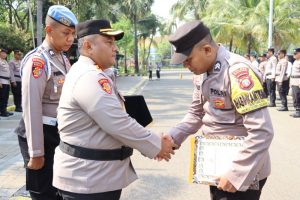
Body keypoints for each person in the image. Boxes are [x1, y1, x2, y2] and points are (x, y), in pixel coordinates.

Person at [52, 19, 177, 200]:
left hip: (94, 177)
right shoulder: (89, 77)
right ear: (88, 46)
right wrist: (156, 144)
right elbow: (118, 123)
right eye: (109, 42)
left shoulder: (94, 73)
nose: (115, 48)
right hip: (88, 180)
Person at [166, 21, 273, 200]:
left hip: (241, 171)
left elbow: (262, 131)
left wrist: (236, 174)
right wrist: (173, 137)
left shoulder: (237, 73)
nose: (186, 66)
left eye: (188, 60)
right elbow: (196, 113)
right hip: (216, 166)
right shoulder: (203, 72)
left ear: (207, 50)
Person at [18, 5, 78, 200]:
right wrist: (36, 152)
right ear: (49, 30)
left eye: (72, 34)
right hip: (39, 134)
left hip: (56, 133)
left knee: (58, 190)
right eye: (66, 33)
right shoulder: (38, 62)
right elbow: (31, 108)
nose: (70, 38)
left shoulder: (63, 59)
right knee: (43, 192)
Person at [0, 48, 16, 117]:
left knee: (6, 97)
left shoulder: (5, 61)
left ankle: (4, 110)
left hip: (6, 82)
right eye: (3, 53)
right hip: (2, 81)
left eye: (5, 53)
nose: (4, 54)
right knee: (2, 97)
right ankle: (2, 112)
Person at [290, 48, 300, 118]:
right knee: (294, 96)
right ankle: (296, 110)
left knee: (297, 96)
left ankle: (298, 111)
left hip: (298, 81)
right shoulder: (295, 61)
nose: (294, 55)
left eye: (295, 53)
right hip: (293, 80)